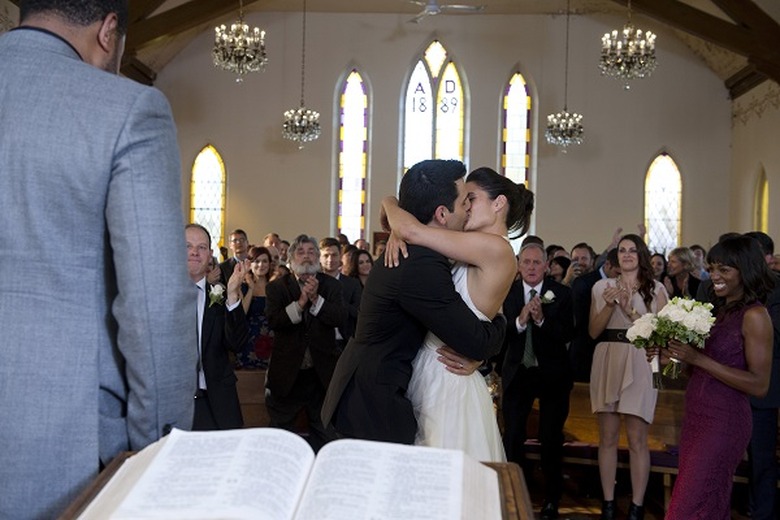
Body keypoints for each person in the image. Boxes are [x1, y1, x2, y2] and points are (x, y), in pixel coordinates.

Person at [0, 2, 197, 516]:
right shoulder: (127, 110)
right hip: (60, 457)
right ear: (110, 31)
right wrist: (157, 458)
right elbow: (154, 310)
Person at [322, 160, 509, 447]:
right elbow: (474, 341)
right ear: (442, 214)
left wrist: (392, 211)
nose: (468, 208)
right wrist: (498, 322)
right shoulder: (421, 262)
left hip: (372, 387)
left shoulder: (417, 249)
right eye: (464, 202)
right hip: (373, 400)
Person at [380, 166, 534, 461]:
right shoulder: (474, 248)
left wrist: (389, 202)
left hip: (446, 376)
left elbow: (412, 230)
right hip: (438, 364)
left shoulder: (496, 249)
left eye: (471, 198)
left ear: (498, 203)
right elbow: (493, 319)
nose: (463, 206)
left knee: (440, 470)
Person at [647, 235, 774, 519]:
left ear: (746, 271)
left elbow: (760, 384)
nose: (714, 276)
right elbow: (695, 371)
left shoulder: (755, 316)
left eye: (724, 270)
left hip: (725, 422)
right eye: (713, 268)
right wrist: (670, 359)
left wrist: (697, 358)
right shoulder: (717, 312)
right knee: (707, 506)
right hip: (696, 417)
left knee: (685, 508)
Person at [589, 234, 668, 520]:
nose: (626, 255)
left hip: (641, 358)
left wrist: (628, 309)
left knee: (637, 439)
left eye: (632, 250)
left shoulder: (656, 289)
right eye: (621, 250)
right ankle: (608, 503)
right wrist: (609, 305)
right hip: (608, 356)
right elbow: (593, 331)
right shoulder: (600, 287)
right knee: (607, 437)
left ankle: (636, 505)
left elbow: (658, 334)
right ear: (615, 257)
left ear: (641, 255)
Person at [502, 242, 574, 518]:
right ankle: (514, 495)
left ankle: (551, 500)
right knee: (512, 436)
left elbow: (568, 332)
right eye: (526, 262)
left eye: (537, 263)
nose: (531, 267)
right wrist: (520, 321)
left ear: (547, 265)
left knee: (550, 438)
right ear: (519, 265)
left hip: (552, 376)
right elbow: (499, 333)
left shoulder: (562, 294)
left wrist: (542, 320)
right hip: (518, 374)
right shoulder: (507, 293)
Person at [265, 235, 346, 451]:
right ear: (291, 259)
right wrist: (301, 303)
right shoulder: (277, 288)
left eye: (311, 252)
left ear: (318, 258)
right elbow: (274, 321)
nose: (307, 256)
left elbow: (339, 317)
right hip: (288, 374)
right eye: (301, 252)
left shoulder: (331, 286)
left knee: (326, 436)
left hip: (320, 375)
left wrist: (316, 300)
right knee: (280, 438)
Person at [187, 224, 248, 430]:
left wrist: (232, 296)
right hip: (174, 403)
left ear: (210, 255)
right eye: (187, 246)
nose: (195, 252)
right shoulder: (158, 297)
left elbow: (237, 343)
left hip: (216, 402)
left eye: (201, 247)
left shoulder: (220, 295)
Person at [569, 248, 620, 382]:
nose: (619, 278)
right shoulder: (584, 283)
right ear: (608, 265)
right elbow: (581, 322)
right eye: (617, 273)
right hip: (586, 352)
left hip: (614, 353)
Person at [237, 246, 275, 369]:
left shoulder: (275, 287)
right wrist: (251, 288)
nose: (261, 265)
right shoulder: (243, 287)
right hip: (249, 340)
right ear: (250, 264)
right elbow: (241, 313)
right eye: (257, 261)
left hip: (272, 338)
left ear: (270, 264)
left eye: (265, 261)